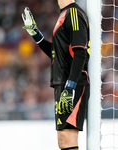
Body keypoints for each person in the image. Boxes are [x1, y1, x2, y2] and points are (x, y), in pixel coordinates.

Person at [22, 0, 90, 149]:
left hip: (72, 83)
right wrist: (35, 33)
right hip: (64, 83)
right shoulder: (64, 14)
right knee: (63, 142)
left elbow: (80, 53)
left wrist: (70, 86)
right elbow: (57, 54)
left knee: (68, 139)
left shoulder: (73, 13)